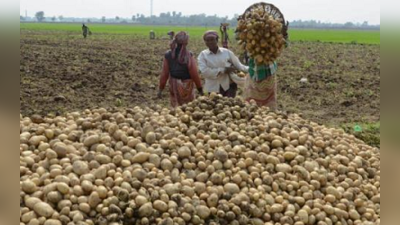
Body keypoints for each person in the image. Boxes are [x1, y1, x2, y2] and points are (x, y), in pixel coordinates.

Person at [243, 22, 290, 110]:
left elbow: (284, 44)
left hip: (268, 75)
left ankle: (269, 114)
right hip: (253, 75)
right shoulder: (251, 41)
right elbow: (240, 38)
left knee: (269, 107)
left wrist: (284, 33)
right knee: (251, 106)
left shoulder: (272, 41)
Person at [158, 31, 203, 107]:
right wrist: (200, 89)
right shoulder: (188, 55)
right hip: (187, 86)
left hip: (174, 84)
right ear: (186, 42)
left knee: (175, 107)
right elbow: (194, 73)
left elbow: (164, 74)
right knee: (189, 107)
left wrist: (160, 89)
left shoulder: (168, 54)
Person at [198, 30, 248, 98]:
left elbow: (239, 66)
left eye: (212, 39)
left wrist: (253, 69)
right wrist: (223, 70)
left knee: (230, 106)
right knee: (215, 106)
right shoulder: (203, 55)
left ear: (217, 40)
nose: (210, 42)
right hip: (213, 88)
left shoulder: (226, 52)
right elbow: (205, 72)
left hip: (229, 86)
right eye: (207, 40)